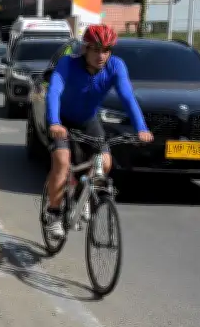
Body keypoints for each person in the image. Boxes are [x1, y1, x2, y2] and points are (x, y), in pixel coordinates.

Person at [43, 24, 153, 239]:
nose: (101, 56)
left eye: (106, 50)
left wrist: (141, 128)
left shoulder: (116, 66)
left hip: (88, 120)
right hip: (62, 121)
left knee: (106, 162)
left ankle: (80, 196)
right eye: (95, 49)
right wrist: (54, 122)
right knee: (62, 162)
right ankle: (53, 214)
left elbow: (127, 97)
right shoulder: (68, 63)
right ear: (85, 48)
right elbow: (54, 91)